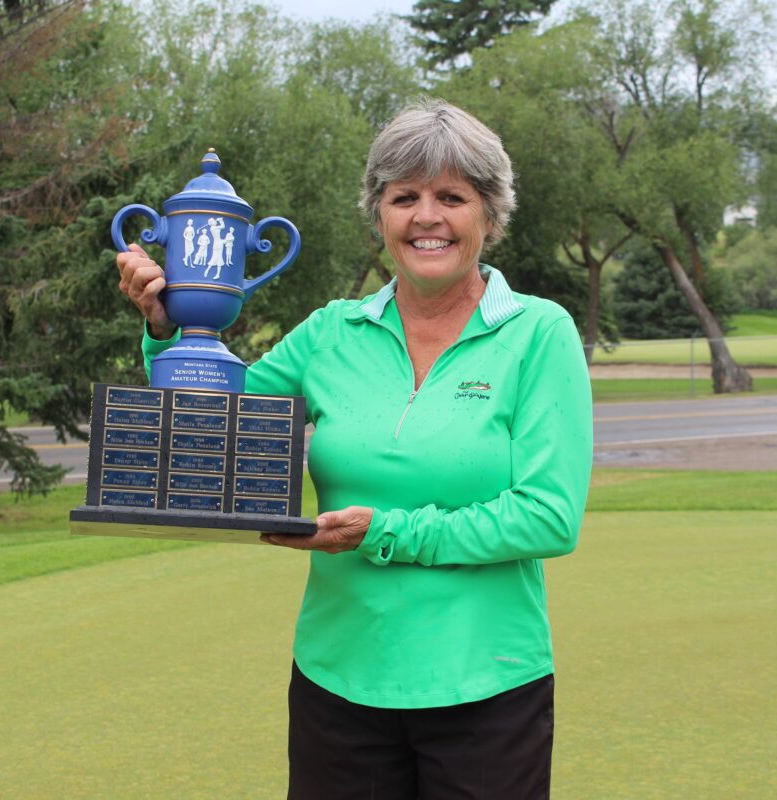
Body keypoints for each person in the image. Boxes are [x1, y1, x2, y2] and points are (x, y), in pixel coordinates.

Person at [116, 98, 593, 799]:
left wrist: (384, 532)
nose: (426, 217)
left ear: (490, 215)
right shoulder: (330, 332)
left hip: (487, 686)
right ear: (379, 216)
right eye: (404, 198)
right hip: (336, 682)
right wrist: (169, 329)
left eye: (451, 197)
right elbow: (208, 428)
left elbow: (548, 517)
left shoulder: (539, 333)